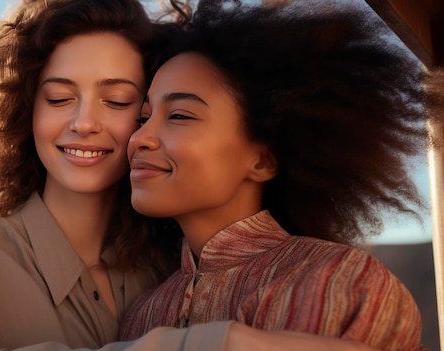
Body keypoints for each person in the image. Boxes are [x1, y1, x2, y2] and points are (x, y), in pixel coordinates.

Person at [0, 0, 382, 350]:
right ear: (25, 112)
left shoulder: (179, 270)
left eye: (119, 100)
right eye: (60, 97)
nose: (84, 122)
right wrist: (219, 344)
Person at [120, 1, 428, 350]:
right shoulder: (142, 315)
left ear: (263, 160)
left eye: (179, 116)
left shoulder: (340, 281)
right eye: (144, 118)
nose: (138, 138)